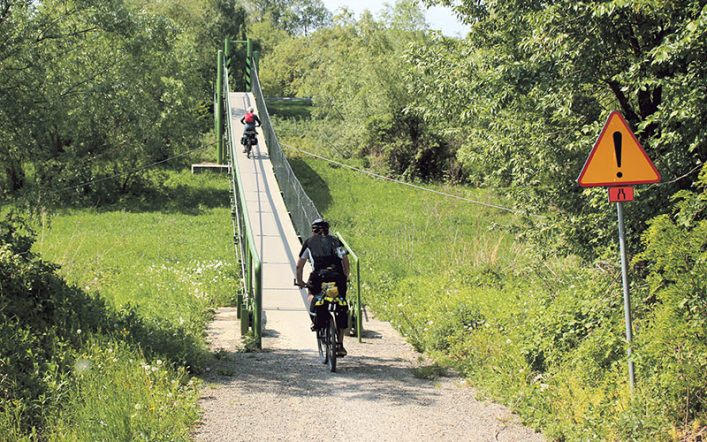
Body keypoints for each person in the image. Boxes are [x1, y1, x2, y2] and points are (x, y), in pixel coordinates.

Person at [296, 218, 350, 356]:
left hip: (318, 277)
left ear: (313, 230)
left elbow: (299, 265)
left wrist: (300, 281)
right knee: (340, 302)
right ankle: (340, 343)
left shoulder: (309, 242)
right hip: (337, 277)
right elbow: (345, 260)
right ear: (328, 229)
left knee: (311, 294)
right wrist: (345, 276)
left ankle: (315, 319)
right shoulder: (337, 241)